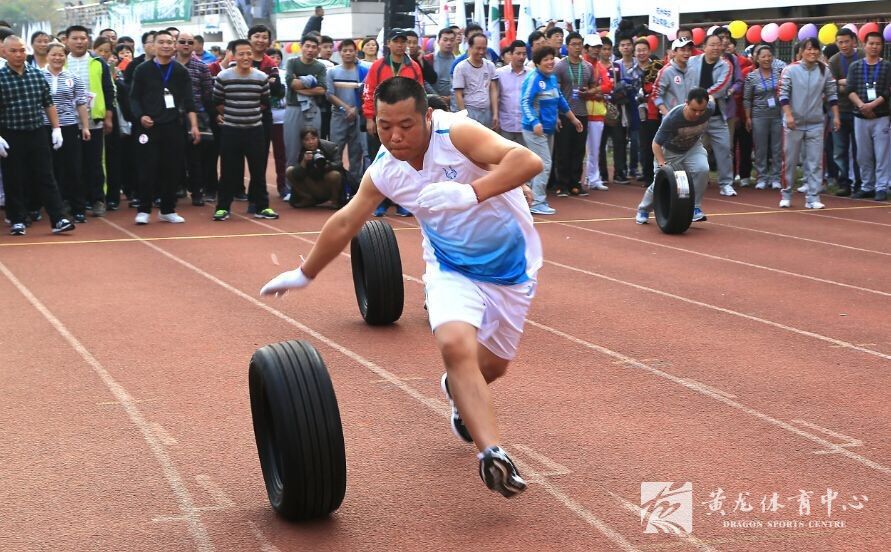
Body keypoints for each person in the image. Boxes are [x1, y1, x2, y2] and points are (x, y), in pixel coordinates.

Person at [260, 77, 544, 498]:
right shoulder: (385, 170)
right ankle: (492, 454)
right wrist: (307, 273)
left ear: (427, 117)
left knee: (494, 368)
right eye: (384, 125)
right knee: (454, 344)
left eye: (406, 126)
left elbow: (526, 162)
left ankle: (456, 390)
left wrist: (469, 193)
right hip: (450, 269)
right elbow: (346, 220)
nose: (394, 136)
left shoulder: (457, 133)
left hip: (511, 270)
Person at [0, 35, 74, 236]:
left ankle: (58, 218)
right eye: (13, 51)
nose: (18, 54)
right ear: (3, 53)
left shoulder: (36, 74)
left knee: (46, 176)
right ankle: (17, 219)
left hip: (37, 132)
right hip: (10, 133)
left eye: (22, 50)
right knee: (14, 178)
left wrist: (56, 128)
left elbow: (47, 102)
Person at [129, 30, 199, 224]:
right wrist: (141, 116)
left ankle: (167, 209)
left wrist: (194, 125)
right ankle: (143, 209)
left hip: (173, 126)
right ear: (154, 45)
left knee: (173, 169)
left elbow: (189, 101)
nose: (166, 45)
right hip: (148, 126)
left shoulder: (180, 71)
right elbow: (134, 98)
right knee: (147, 169)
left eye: (170, 42)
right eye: (161, 42)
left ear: (174, 45)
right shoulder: (142, 69)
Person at [212, 39, 277, 221]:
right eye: (241, 53)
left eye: (248, 53)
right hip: (231, 131)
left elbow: (264, 102)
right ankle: (222, 208)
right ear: (233, 55)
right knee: (228, 171)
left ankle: (262, 207)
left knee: (258, 171)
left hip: (255, 131)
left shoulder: (261, 77)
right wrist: (234, 113)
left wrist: (249, 112)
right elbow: (217, 102)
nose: (246, 57)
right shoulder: (223, 77)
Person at [635, 87, 714, 225]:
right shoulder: (673, 118)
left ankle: (695, 207)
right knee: (659, 182)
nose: (697, 114)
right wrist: (662, 164)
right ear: (686, 103)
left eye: (701, 110)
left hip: (692, 148)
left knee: (703, 169)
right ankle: (644, 209)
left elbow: (712, 98)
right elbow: (655, 144)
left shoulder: (710, 108)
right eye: (694, 110)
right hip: (669, 151)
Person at [521, 45, 584, 215]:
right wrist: (534, 122)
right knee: (544, 164)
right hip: (534, 130)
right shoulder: (533, 78)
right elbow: (525, 101)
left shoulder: (552, 77)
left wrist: (573, 118)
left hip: (548, 129)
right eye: (545, 60)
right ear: (538, 63)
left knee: (538, 164)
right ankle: (537, 201)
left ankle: (529, 197)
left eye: (551, 59)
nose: (550, 62)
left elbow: (560, 99)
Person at [778, 37, 840, 210]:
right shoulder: (790, 70)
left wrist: (836, 116)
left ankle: (813, 197)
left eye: (815, 49)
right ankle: (786, 193)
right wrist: (789, 116)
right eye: (808, 49)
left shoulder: (824, 70)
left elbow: (832, 94)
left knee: (815, 161)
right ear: (801, 52)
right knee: (790, 161)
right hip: (793, 124)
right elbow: (783, 94)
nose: (812, 52)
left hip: (816, 123)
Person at [66, 25, 115, 216]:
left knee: (94, 162)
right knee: (71, 163)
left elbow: (109, 90)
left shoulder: (98, 62)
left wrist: (108, 116)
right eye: (75, 38)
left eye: (83, 38)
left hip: (94, 121)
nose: (79, 42)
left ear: (88, 40)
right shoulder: (61, 62)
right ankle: (74, 200)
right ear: (67, 41)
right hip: (68, 121)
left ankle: (97, 200)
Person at [43, 41, 91, 223]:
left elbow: (81, 103)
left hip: (69, 126)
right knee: (49, 168)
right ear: (47, 56)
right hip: (44, 126)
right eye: (54, 54)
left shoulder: (73, 77)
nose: (57, 58)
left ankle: (78, 208)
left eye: (61, 55)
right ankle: (53, 206)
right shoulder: (38, 76)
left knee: (73, 167)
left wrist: (85, 127)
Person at [685, 32, 734, 200]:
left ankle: (726, 183)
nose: (715, 48)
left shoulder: (726, 65)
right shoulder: (692, 61)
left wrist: (699, 96)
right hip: (695, 115)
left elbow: (721, 87)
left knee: (724, 149)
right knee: (692, 148)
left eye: (718, 45)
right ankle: (691, 181)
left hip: (716, 115)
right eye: (711, 45)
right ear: (703, 47)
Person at [846, 32, 890, 202]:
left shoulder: (887, 66)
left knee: (882, 154)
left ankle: (881, 187)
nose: (874, 47)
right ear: (864, 45)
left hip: (881, 116)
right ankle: (867, 186)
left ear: (882, 46)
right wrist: (862, 106)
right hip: (860, 116)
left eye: (878, 44)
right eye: (871, 43)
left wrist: (873, 105)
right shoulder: (855, 66)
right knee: (863, 155)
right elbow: (850, 89)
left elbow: (888, 90)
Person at [175, 31, 214, 206]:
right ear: (176, 44)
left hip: (196, 116)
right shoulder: (167, 65)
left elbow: (208, 94)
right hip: (171, 116)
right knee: (173, 155)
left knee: (195, 158)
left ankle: (197, 191)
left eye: (190, 42)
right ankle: (177, 187)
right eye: (182, 41)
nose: (186, 45)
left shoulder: (202, 67)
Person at [554, 32, 595, 196]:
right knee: (563, 149)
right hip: (565, 113)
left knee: (579, 150)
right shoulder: (560, 66)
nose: (577, 47)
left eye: (579, 44)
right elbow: (555, 91)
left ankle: (575, 182)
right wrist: (557, 114)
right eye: (573, 44)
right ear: (567, 46)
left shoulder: (588, 67)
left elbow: (593, 86)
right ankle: (562, 184)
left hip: (582, 113)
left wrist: (588, 92)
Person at [283, 34, 327, 173]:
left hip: (313, 109)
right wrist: (311, 83)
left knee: (314, 146)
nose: (310, 50)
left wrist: (300, 88)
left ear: (318, 49)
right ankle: (291, 188)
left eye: (314, 47)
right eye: (307, 46)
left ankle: (314, 182)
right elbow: (291, 83)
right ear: (301, 47)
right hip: (294, 108)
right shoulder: (292, 62)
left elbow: (322, 90)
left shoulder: (320, 66)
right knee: (292, 148)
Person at [827, 28, 862, 196]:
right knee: (839, 150)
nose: (843, 45)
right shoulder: (834, 61)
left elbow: (863, 83)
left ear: (854, 41)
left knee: (859, 150)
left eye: (846, 41)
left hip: (860, 110)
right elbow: (831, 86)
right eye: (840, 42)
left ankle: (860, 183)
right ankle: (844, 183)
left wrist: (844, 83)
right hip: (838, 111)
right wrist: (850, 85)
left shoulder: (862, 55)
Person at [743, 45, 783, 190]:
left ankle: (776, 177)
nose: (767, 59)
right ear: (757, 59)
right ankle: (761, 177)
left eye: (769, 56)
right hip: (759, 116)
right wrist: (748, 117)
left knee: (777, 148)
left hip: (777, 115)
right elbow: (747, 99)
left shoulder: (780, 73)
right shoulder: (751, 76)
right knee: (760, 148)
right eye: (763, 56)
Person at [325, 39, 364, 184]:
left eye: (351, 50)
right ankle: (337, 187)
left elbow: (366, 93)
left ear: (355, 52)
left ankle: (354, 187)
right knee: (335, 151)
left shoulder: (362, 71)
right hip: (339, 117)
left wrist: (356, 109)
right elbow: (329, 94)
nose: (348, 53)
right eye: (345, 50)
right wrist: (347, 108)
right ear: (340, 53)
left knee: (356, 154)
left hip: (358, 117)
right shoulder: (332, 72)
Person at [285, 127, 343, 208]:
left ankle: (335, 200)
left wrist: (327, 165)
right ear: (302, 142)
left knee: (335, 174)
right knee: (289, 170)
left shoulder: (330, 147)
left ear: (318, 138)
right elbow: (296, 175)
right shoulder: (302, 150)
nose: (311, 142)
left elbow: (339, 164)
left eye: (313, 138)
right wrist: (304, 162)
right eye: (307, 140)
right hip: (312, 185)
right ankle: (307, 198)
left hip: (326, 184)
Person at [633, 37, 664, 188]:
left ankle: (661, 175)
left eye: (644, 50)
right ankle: (647, 176)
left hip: (659, 112)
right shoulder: (633, 70)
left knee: (659, 145)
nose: (641, 53)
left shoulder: (659, 68)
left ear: (649, 51)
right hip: (642, 113)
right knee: (645, 146)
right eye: (638, 50)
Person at [452, 33, 499, 128]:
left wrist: (495, 113)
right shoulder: (461, 68)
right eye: (478, 48)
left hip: (486, 111)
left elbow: (493, 90)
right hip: (470, 110)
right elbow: (458, 94)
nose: (481, 52)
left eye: (484, 48)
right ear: (470, 47)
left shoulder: (490, 65)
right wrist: (464, 116)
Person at [495, 40, 528, 146]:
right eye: (518, 53)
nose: (521, 57)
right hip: (506, 124)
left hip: (525, 125)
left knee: (526, 158)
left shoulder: (531, 74)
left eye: (524, 54)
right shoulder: (500, 73)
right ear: (511, 54)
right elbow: (496, 97)